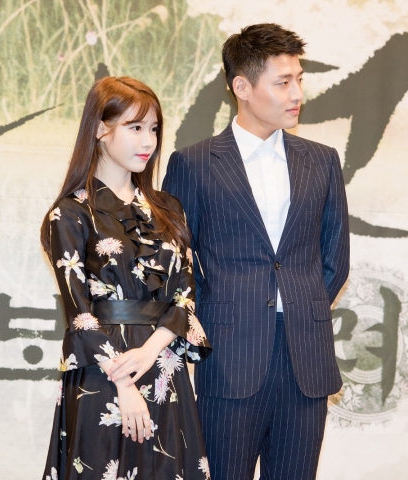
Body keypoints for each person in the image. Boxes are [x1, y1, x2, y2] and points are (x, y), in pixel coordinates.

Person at [163, 23, 350, 480]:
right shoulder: (193, 163)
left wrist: (301, 307)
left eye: (299, 79)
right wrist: (220, 315)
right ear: (242, 87)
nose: (297, 93)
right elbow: (174, 264)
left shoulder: (322, 160)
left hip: (305, 358)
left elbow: (334, 259)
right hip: (229, 356)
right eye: (283, 82)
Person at [39, 76, 212, 480]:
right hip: (103, 375)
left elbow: (184, 295)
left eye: (153, 129)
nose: (148, 141)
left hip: (163, 367)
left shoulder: (168, 208)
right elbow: (79, 315)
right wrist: (124, 385)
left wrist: (150, 353)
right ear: (101, 129)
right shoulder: (70, 214)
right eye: (135, 128)